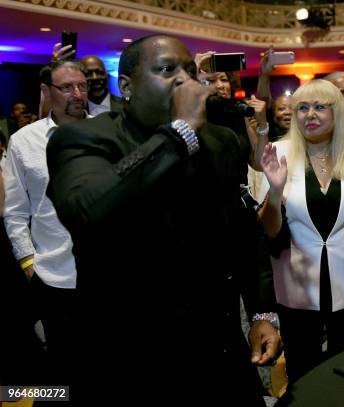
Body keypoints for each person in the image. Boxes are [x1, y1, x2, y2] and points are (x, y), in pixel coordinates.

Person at [45, 35, 281, 404]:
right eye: (167, 69)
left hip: (214, 343)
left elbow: (242, 234)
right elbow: (85, 210)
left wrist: (262, 312)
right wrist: (179, 132)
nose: (185, 80)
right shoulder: (83, 137)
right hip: (127, 348)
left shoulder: (221, 142)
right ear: (127, 86)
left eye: (189, 70)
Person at [258, 79, 344, 383]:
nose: (309, 114)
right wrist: (275, 191)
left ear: (337, 113)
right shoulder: (278, 152)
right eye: (302, 107)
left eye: (320, 107)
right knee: (304, 371)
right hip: (297, 281)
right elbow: (269, 230)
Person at [2, 60, 89, 385]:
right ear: (46, 91)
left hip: (108, 275)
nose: (77, 94)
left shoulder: (109, 130)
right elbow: (15, 210)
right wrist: (27, 260)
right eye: (67, 87)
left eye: (82, 86)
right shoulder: (25, 142)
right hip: (53, 275)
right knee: (61, 374)